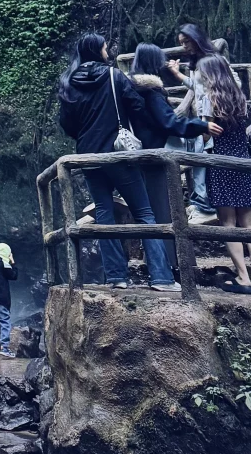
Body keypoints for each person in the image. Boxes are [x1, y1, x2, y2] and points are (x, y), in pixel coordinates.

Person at [58, 33, 177, 290]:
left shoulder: (69, 82)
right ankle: (162, 277)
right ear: (96, 50)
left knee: (104, 213)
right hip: (118, 154)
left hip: (88, 157)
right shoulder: (114, 76)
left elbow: (66, 123)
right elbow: (136, 106)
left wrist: (86, 136)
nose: (106, 50)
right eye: (104, 47)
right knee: (144, 213)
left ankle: (116, 277)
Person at [129, 43, 223, 270]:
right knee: (200, 145)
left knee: (156, 210)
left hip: (143, 151)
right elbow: (168, 122)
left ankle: (165, 265)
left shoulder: (132, 88)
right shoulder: (151, 91)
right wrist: (200, 124)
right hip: (158, 149)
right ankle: (202, 202)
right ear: (153, 62)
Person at [196, 54, 251, 295]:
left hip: (222, 163)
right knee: (250, 223)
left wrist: (200, 124)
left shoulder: (210, 99)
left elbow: (207, 135)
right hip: (244, 163)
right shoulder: (240, 98)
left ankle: (243, 276)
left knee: (228, 222)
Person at [164, 24, 224, 225]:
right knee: (199, 160)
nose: (184, 46)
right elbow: (197, 87)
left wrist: (208, 122)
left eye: (186, 41)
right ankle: (202, 203)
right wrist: (177, 73)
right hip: (204, 120)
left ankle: (205, 206)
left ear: (196, 38)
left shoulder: (210, 61)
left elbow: (214, 93)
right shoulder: (198, 62)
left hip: (212, 121)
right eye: (181, 43)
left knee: (202, 161)